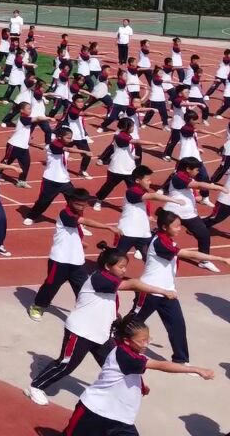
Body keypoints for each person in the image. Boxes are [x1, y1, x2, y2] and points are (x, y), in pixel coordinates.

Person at [26, 248, 176, 406]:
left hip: (102, 335)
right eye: (121, 266)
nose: (124, 270)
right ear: (107, 266)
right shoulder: (99, 278)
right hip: (80, 331)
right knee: (66, 365)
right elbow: (133, 284)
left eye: (125, 266)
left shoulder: (110, 283)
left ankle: (124, 392)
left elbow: (108, 306)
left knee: (117, 365)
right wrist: (163, 291)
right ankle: (35, 387)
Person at [61, 317, 215, 436]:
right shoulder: (124, 355)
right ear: (127, 341)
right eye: (142, 341)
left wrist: (141, 385)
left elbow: (128, 372)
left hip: (121, 419)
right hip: (94, 412)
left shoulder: (130, 355)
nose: (146, 344)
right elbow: (160, 365)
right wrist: (196, 370)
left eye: (148, 339)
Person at [127, 210, 230, 366]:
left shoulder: (167, 240)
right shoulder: (160, 243)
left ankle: (181, 359)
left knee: (177, 325)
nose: (179, 229)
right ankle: (116, 341)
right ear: (164, 227)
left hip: (168, 293)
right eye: (175, 226)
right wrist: (219, 258)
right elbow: (189, 254)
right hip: (149, 291)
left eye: (180, 226)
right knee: (134, 322)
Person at [29, 189, 118, 322]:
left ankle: (86, 312)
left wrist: (80, 243)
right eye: (78, 204)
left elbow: (72, 232)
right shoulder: (65, 213)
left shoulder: (77, 212)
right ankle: (38, 306)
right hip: (60, 260)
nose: (81, 207)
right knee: (51, 285)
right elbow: (84, 221)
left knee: (83, 288)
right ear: (70, 201)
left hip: (77, 261)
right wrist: (108, 227)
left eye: (84, 205)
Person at [160, 156, 227, 272]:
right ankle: (143, 248)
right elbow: (198, 185)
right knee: (162, 234)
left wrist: (197, 198)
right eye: (196, 169)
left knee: (204, 235)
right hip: (173, 213)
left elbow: (188, 190)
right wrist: (216, 187)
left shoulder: (186, 177)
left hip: (189, 214)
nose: (198, 172)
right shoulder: (179, 177)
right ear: (188, 169)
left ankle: (204, 261)